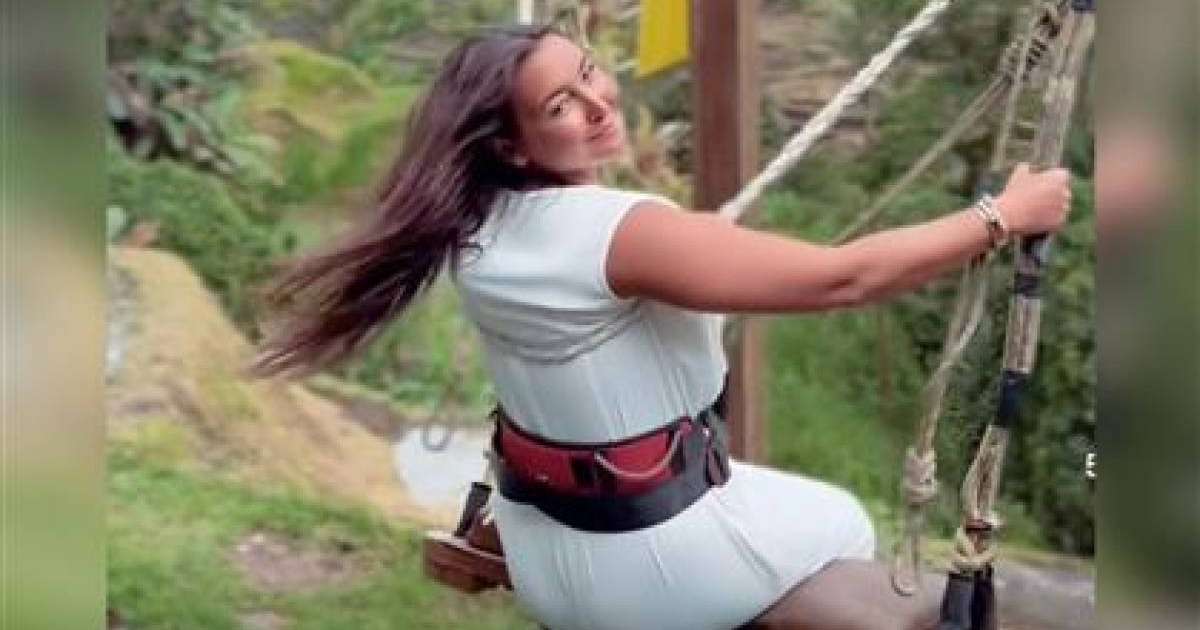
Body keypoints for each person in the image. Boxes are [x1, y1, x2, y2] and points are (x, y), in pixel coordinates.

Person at [251, 26, 1072, 630]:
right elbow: (844, 278)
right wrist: (1003, 214)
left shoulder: (473, 229)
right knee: (844, 522)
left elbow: (609, 267)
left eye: (588, 75)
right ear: (512, 144)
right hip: (649, 570)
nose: (597, 105)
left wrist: (684, 244)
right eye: (561, 106)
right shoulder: (622, 232)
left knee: (802, 510)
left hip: (545, 549)